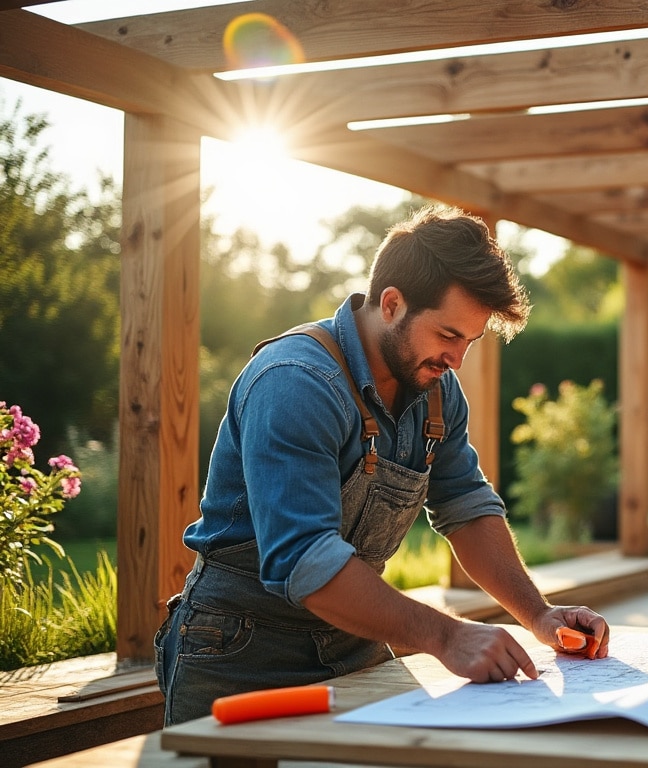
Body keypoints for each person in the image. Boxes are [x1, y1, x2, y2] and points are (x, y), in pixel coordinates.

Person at [155, 204, 609, 725]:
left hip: (355, 642)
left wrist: (540, 614)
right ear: (392, 304)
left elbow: (466, 506)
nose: (457, 360)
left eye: (470, 341)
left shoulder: (438, 391)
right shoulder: (295, 382)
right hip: (238, 652)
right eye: (448, 335)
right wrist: (447, 636)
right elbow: (305, 560)